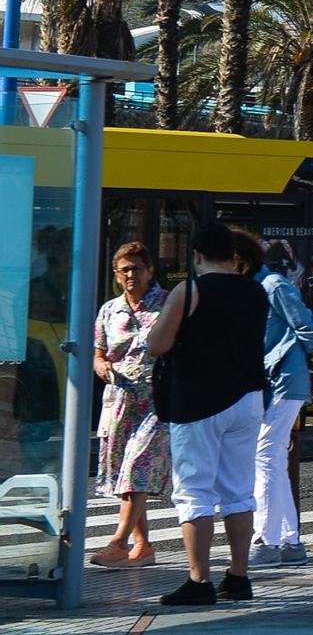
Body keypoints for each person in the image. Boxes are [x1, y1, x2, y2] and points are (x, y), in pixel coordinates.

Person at [146, 219, 270, 607]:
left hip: (198, 400)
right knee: (238, 490)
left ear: (196, 255)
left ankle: (199, 580)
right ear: (233, 256)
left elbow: (158, 344)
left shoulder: (190, 289)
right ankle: (238, 576)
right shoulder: (256, 291)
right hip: (247, 398)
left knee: (194, 491)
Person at [233, 229, 313, 567]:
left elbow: (307, 326)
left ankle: (267, 541)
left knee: (265, 455)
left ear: (238, 260)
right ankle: (291, 542)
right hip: (268, 382)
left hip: (286, 382)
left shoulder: (272, 285)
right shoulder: (246, 289)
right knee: (271, 458)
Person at [90, 242, 171, 568]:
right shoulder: (110, 310)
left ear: (150, 270)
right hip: (120, 401)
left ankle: (118, 542)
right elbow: (99, 351)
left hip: (156, 400)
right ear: (116, 274)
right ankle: (144, 545)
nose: (130, 274)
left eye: (136, 268)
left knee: (136, 468)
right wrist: (100, 365)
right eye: (124, 269)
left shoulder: (167, 303)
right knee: (125, 475)